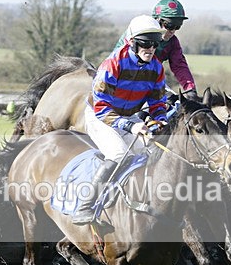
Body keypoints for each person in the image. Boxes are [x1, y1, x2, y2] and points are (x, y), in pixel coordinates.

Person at [71, 15, 168, 225]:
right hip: (100, 116)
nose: (150, 48)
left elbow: (158, 104)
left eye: (154, 43)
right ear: (132, 42)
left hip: (129, 115)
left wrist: (159, 122)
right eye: (145, 43)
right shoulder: (112, 64)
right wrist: (131, 126)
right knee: (119, 154)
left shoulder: (157, 68)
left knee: (154, 152)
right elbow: (101, 107)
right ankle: (85, 206)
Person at [114, 0, 199, 101]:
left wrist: (190, 89)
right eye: (169, 25)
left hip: (151, 80)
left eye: (177, 26)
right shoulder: (139, 35)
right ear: (157, 20)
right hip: (124, 79)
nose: (172, 31)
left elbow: (179, 66)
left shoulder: (173, 42)